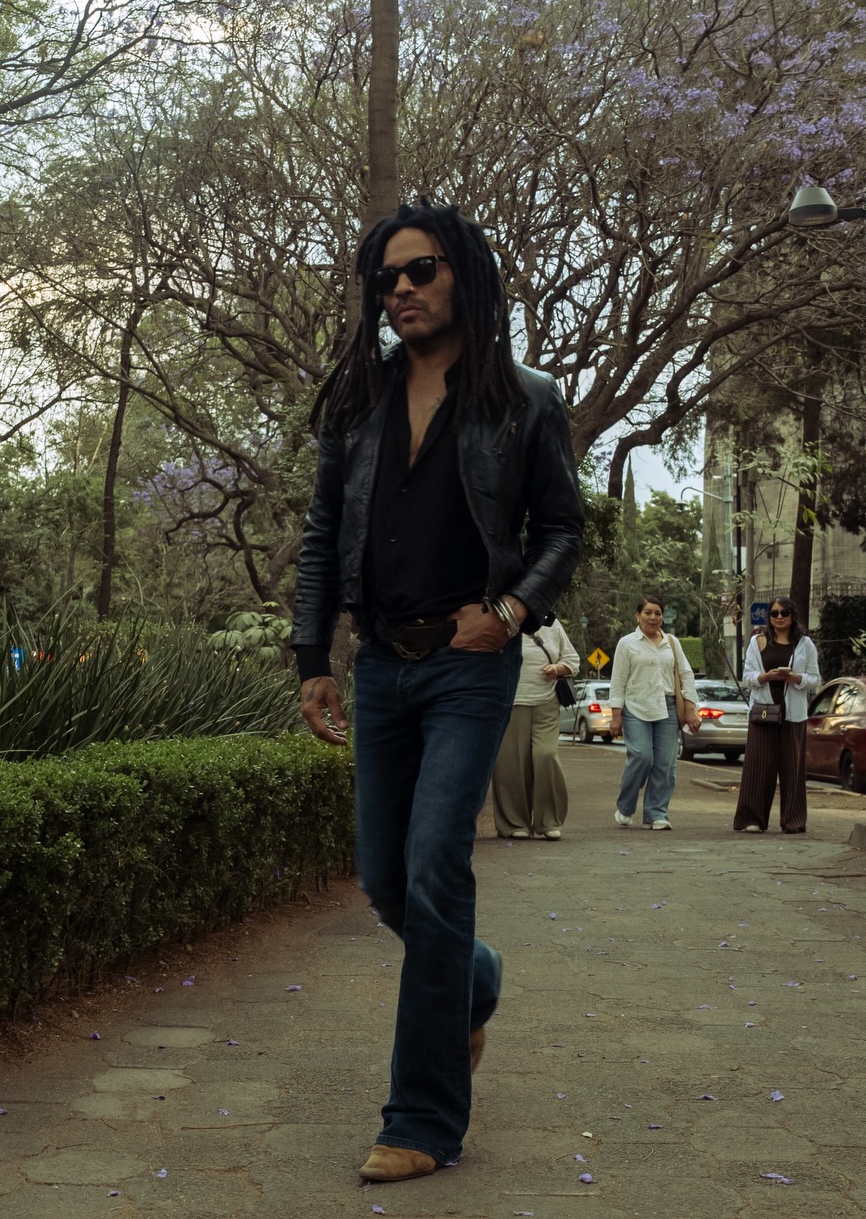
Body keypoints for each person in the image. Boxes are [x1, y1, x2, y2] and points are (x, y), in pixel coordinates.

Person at [290, 202, 583, 1184]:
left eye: (419, 271)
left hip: (468, 660)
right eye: (386, 278)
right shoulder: (358, 399)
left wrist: (509, 607)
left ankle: (422, 1119)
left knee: (433, 870)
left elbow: (563, 530)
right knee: (384, 880)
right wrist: (312, 656)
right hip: (382, 664)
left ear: (463, 274)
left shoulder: (524, 398)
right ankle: (478, 979)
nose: (401, 290)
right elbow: (326, 534)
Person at [608, 595, 699, 829]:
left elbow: (686, 674)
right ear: (638, 615)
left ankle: (656, 814)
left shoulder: (672, 642)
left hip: (667, 707)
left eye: (657, 613)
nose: (653, 617)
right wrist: (616, 715)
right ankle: (625, 807)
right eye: (648, 612)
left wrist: (690, 707)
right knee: (641, 756)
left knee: (665, 764)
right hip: (635, 707)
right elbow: (618, 681)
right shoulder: (627, 643)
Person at [733, 597, 820, 834]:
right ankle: (752, 819)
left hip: (794, 714)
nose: (779, 617)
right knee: (758, 766)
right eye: (774, 613)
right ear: (769, 617)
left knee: (792, 768)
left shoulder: (805, 644)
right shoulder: (758, 641)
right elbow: (748, 676)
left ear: (793, 616)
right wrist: (766, 677)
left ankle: (793, 821)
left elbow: (815, 679)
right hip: (764, 710)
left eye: (784, 613)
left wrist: (797, 678)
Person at [490, 617, 581, 839]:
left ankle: (549, 821)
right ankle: (514, 824)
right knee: (511, 763)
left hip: (546, 701)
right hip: (510, 701)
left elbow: (573, 660)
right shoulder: (500, 619)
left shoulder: (550, 623)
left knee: (546, 755)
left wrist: (558, 668)